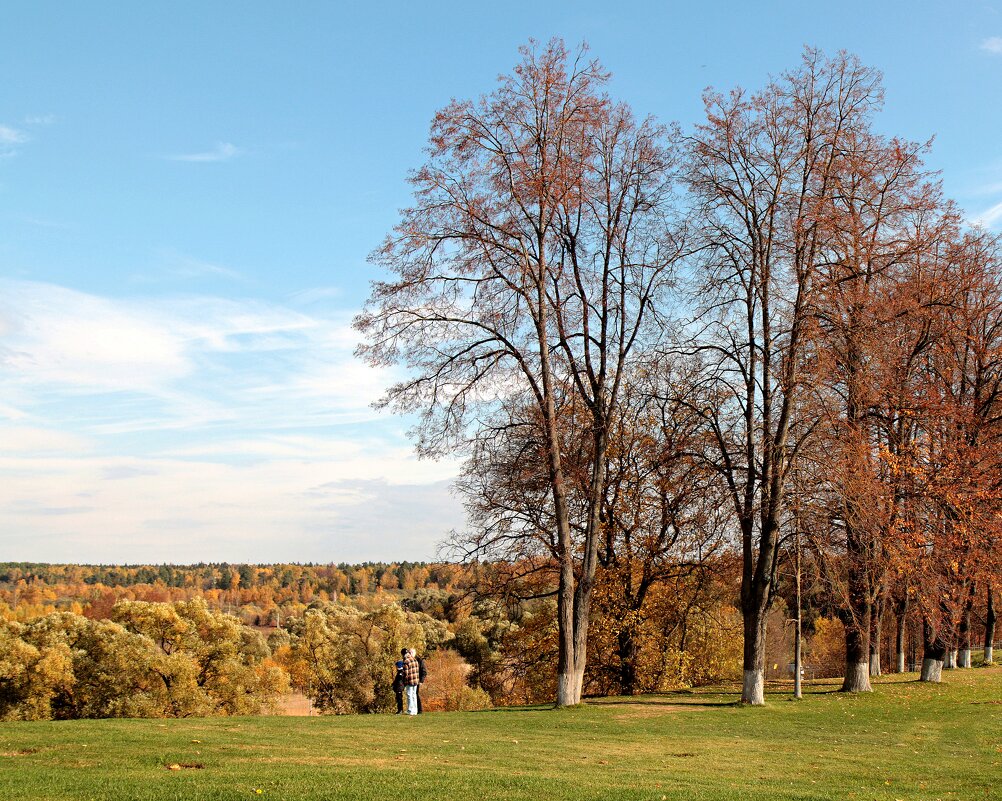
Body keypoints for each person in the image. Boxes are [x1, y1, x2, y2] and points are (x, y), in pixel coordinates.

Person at [402, 648, 421, 715]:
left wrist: (404, 681)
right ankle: (415, 710)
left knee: (409, 695)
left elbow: (405, 673)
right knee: (414, 695)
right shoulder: (415, 660)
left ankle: (410, 710)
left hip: (409, 681)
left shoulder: (406, 661)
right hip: (416, 680)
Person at [410, 647, 428, 713]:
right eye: (409, 652)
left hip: (417, 680)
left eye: (411, 652)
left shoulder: (420, 660)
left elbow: (424, 672)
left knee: (415, 694)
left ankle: (419, 710)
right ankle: (413, 709)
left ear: (415, 653)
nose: (410, 653)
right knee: (411, 695)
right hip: (411, 680)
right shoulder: (409, 660)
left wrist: (421, 681)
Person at [392, 649, 406, 714]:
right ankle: (399, 710)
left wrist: (394, 684)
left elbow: (399, 680)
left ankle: (400, 710)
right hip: (398, 687)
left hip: (399, 687)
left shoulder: (400, 673)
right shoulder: (400, 672)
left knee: (399, 699)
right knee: (398, 699)